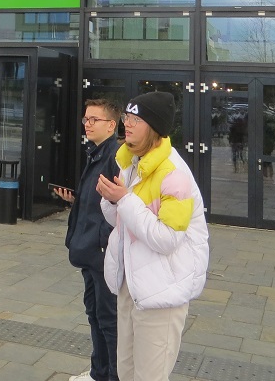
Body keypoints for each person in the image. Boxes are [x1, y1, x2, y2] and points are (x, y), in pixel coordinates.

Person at [96, 91, 209, 381]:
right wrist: (112, 201)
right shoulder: (132, 163)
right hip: (131, 286)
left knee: (149, 376)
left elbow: (167, 238)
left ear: (154, 127)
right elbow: (123, 223)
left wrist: (124, 200)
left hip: (162, 291)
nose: (127, 124)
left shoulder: (174, 173)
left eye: (136, 119)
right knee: (126, 372)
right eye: (127, 117)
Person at [55, 98, 121, 381]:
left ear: (111, 125)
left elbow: (121, 205)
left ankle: (114, 375)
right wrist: (76, 200)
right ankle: (99, 372)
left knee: (109, 319)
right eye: (85, 119)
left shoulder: (115, 157)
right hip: (88, 249)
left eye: (94, 119)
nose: (87, 124)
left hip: (101, 252)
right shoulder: (95, 153)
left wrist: (103, 241)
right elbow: (98, 201)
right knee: (94, 313)